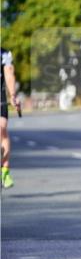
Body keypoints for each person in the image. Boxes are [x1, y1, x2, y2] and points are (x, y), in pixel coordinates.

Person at [1, 47, 22, 189]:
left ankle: (5, 171)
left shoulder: (4, 54)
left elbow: (9, 73)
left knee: (1, 127)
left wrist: (13, 95)